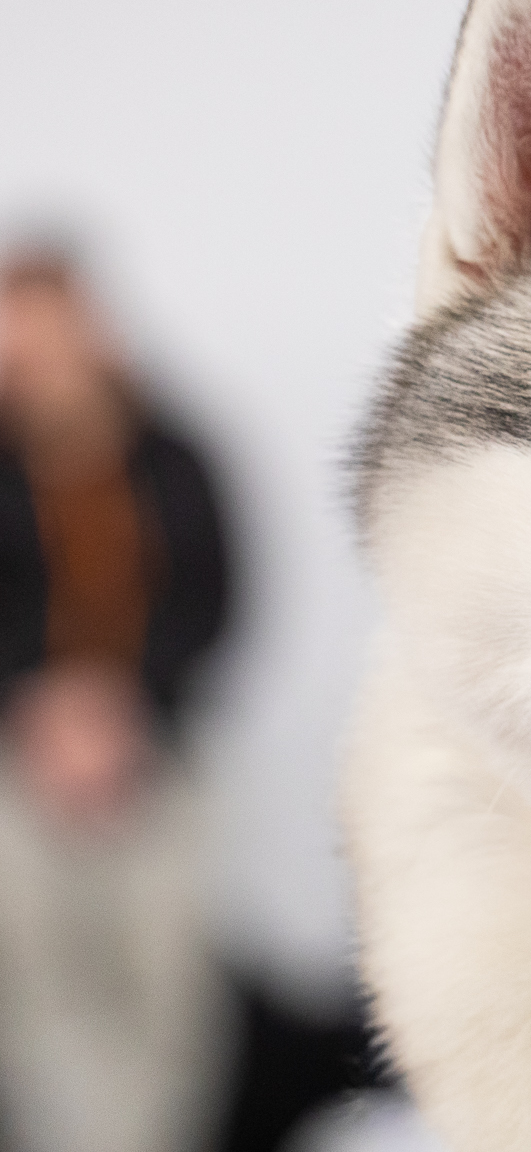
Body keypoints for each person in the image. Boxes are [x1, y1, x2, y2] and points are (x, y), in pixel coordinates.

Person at [0, 244, 232, 1152]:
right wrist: (45, 704)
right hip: (24, 762)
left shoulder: (175, 455)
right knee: (37, 974)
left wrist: (123, 703)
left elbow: (217, 596)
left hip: (156, 750)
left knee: (166, 979)